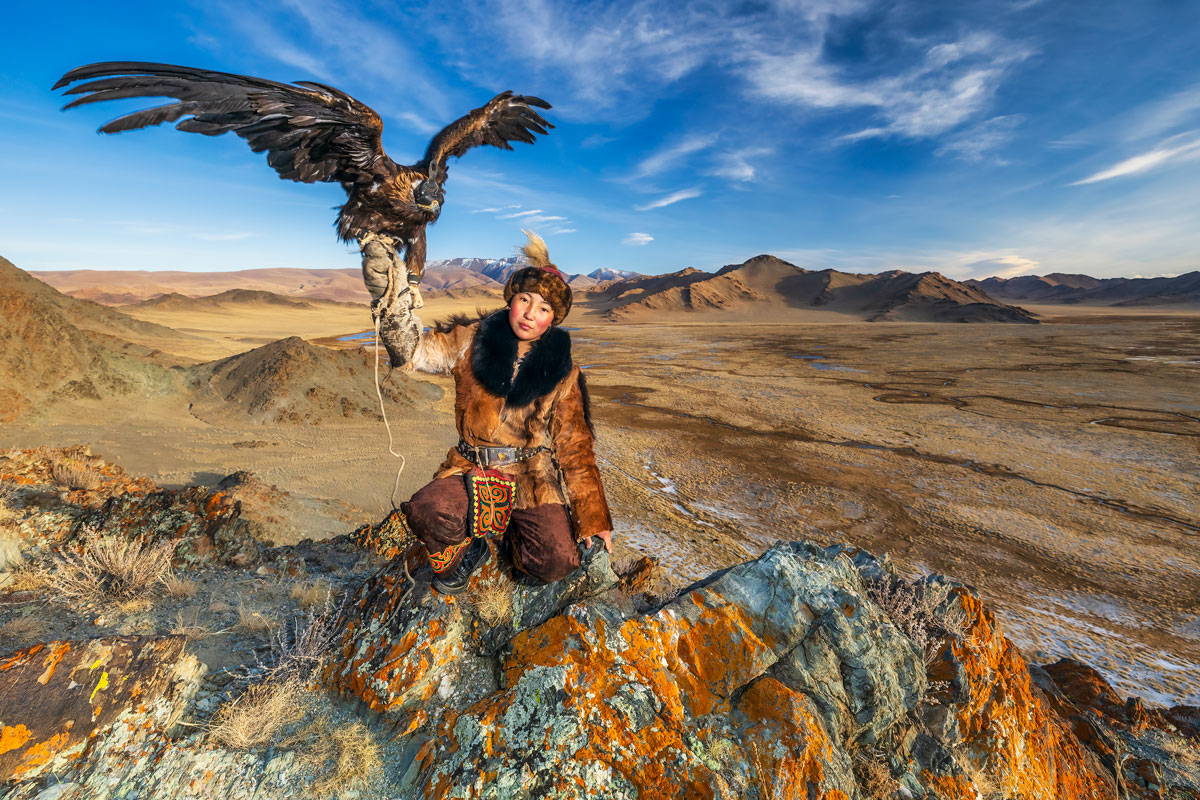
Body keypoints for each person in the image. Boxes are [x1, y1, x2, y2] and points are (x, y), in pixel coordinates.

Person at [394, 231, 613, 595]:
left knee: (558, 561)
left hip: (531, 477)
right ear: (511, 299)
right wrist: (395, 314)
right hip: (471, 467)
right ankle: (473, 548)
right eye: (524, 300)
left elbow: (575, 446)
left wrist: (594, 519)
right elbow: (415, 352)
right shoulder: (470, 340)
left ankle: (511, 535)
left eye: (543, 309)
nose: (530, 314)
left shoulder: (564, 372)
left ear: (553, 319)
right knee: (424, 510)